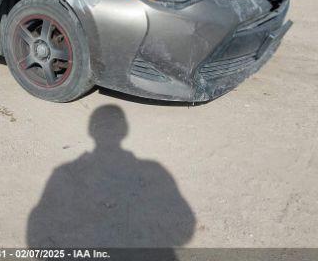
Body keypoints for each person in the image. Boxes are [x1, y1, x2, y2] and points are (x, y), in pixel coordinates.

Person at [27, 105, 195, 250]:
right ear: (125, 130)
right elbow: (185, 230)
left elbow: (37, 232)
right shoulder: (153, 170)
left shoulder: (63, 173)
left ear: (91, 131)